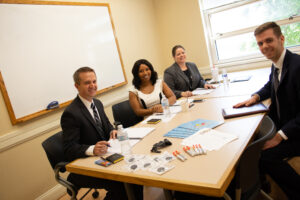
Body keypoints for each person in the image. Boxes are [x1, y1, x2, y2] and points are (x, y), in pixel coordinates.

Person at [234, 22, 300, 199]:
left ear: (281, 39)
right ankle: (258, 184)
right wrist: (254, 97)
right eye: (260, 43)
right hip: (286, 122)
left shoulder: (297, 66)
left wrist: (279, 136)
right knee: (248, 142)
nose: (264, 47)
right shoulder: (277, 63)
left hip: (296, 131)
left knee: (265, 156)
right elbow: (270, 84)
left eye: (268, 40)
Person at [61, 67, 142, 200]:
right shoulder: (71, 113)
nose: (92, 85)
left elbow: (107, 126)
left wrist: (112, 131)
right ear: (77, 86)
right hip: (86, 166)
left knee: (135, 176)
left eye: (94, 81)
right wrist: (93, 149)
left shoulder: (97, 103)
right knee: (122, 185)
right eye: (87, 82)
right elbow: (69, 149)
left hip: (106, 156)